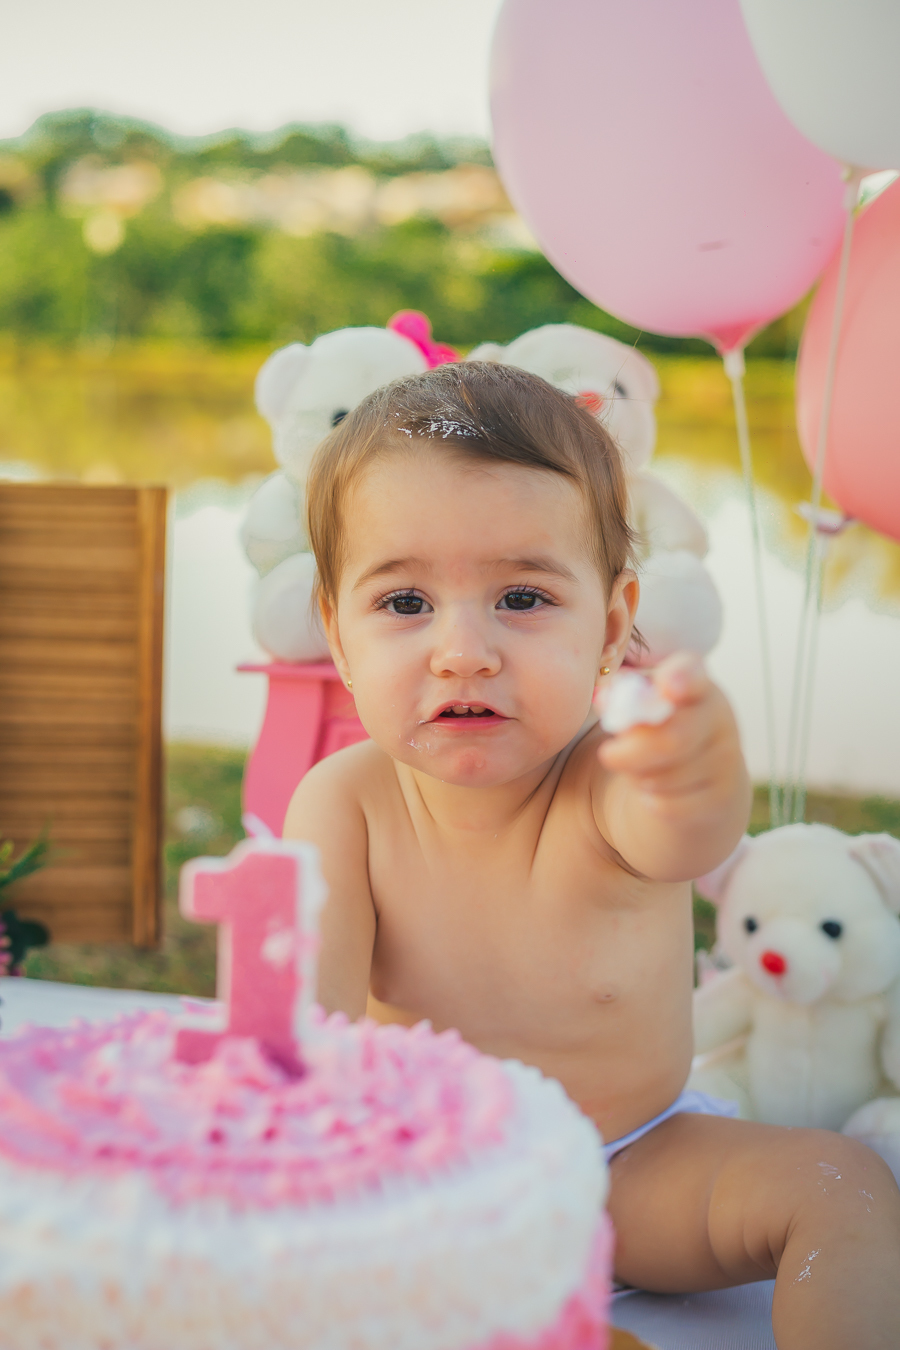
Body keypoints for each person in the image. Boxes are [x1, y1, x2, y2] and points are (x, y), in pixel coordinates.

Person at [284, 362, 900, 1349]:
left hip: (626, 1170)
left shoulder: (609, 780)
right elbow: (301, 1035)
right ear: (338, 636)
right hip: (421, 1179)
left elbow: (685, 831)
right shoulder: (343, 805)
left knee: (840, 1185)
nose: (464, 650)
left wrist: (693, 769)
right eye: (404, 604)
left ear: (611, 628)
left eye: (523, 596)